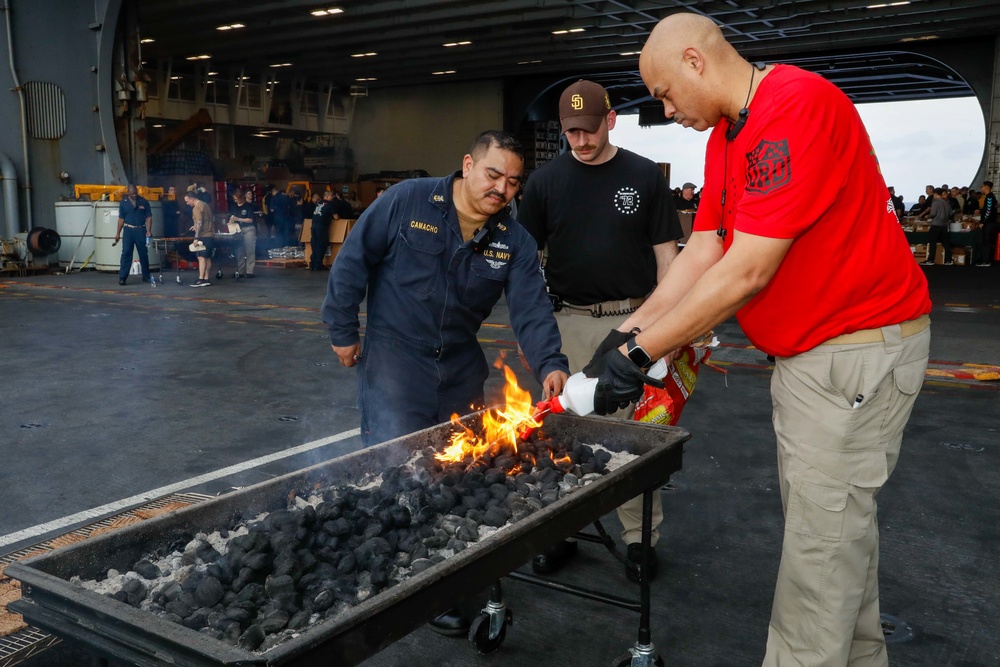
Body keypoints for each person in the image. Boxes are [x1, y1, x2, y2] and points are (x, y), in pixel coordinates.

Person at [585, 13, 931, 666]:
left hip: (852, 355)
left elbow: (747, 270)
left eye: (663, 93)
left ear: (694, 61)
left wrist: (640, 356)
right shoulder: (726, 136)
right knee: (834, 547)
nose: (664, 110)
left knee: (817, 561)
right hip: (815, 361)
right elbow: (705, 249)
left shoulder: (792, 107)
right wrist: (626, 334)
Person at [322, 130, 569, 637]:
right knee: (396, 471)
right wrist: (343, 330)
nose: (501, 189)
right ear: (467, 165)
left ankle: (443, 580)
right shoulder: (407, 200)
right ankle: (394, 575)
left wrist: (550, 364)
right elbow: (353, 261)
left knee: (455, 473)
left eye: (513, 182)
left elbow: (531, 309)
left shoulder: (513, 241)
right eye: (493, 174)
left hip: (459, 367)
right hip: (394, 362)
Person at [517, 79, 683, 582]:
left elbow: (667, 259)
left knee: (632, 435)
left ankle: (639, 538)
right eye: (571, 132)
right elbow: (524, 262)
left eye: (589, 130)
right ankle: (558, 530)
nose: (581, 141)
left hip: (633, 325)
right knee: (560, 428)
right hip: (566, 323)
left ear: (610, 120)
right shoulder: (545, 183)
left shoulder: (643, 175)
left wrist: (667, 331)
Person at [113, 184, 153, 286]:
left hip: (140, 230)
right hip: (128, 230)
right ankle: (122, 277)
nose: (135, 195)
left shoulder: (144, 202)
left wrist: (149, 230)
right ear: (128, 193)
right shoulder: (123, 203)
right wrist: (117, 233)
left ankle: (146, 276)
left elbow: (148, 217)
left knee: (143, 253)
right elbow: (121, 219)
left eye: (136, 193)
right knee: (126, 253)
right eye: (132, 194)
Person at [185, 190, 214, 287]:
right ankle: (206, 279)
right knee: (207, 257)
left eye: (187, 201)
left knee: (201, 257)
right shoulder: (205, 205)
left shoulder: (196, 208)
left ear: (192, 199)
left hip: (203, 235)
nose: (187, 203)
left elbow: (200, 223)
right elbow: (204, 220)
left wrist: (196, 237)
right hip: (210, 234)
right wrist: (195, 226)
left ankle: (201, 279)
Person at [920, 188, 954, 265]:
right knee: (946, 243)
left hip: (936, 225)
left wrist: (927, 216)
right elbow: (951, 213)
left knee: (933, 242)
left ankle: (931, 260)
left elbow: (933, 213)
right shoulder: (946, 203)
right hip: (944, 225)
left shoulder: (935, 203)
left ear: (935, 194)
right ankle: (949, 260)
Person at [229, 189, 258, 278]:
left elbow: (250, 219)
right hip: (238, 230)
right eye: (234, 199)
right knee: (239, 251)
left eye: (236, 199)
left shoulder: (248, 206)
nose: (235, 200)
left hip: (248, 229)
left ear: (241, 197)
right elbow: (232, 217)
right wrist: (231, 220)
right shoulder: (234, 207)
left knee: (249, 250)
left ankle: (250, 271)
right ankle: (240, 271)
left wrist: (238, 219)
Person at [309, 190, 335, 272]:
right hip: (322, 227)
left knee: (314, 245)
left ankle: (312, 264)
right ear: (327, 196)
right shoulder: (330, 205)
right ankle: (318, 265)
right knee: (321, 245)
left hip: (314, 226)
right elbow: (336, 216)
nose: (332, 197)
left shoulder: (318, 203)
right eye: (331, 196)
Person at [976, 180, 997, 266]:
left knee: (986, 241)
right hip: (990, 222)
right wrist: (981, 210)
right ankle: (985, 259)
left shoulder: (989, 197)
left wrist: (982, 222)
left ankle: (986, 260)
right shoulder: (991, 197)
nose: (981, 188)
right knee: (986, 240)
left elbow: (988, 211)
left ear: (986, 187)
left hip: (988, 223)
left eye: (982, 186)